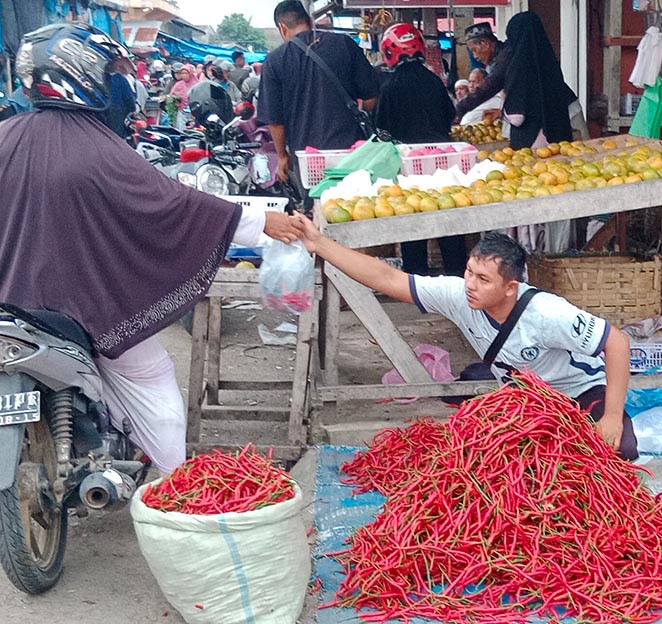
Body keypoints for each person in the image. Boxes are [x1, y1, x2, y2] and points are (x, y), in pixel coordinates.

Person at [0, 23, 306, 475]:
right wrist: (264, 222)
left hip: (9, 303)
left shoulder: (6, 134)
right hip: (85, 309)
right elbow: (173, 205)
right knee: (153, 382)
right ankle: (175, 485)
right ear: (84, 75)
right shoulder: (97, 147)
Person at [293, 224, 637, 460]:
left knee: (613, 451)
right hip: (529, 400)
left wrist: (611, 416)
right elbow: (388, 277)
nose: (470, 284)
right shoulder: (459, 295)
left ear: (510, 287)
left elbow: (617, 343)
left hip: (578, 393)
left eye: (483, 279)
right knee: (493, 457)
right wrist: (319, 243)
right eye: (469, 272)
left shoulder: (547, 314)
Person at [373, 22, 465, 278]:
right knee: (448, 219)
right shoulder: (434, 81)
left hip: (409, 167)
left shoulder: (389, 87)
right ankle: (456, 276)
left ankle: (416, 280)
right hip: (443, 164)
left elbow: (381, 130)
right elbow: (450, 117)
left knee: (412, 220)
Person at [259, 0, 379, 188]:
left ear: (282, 28)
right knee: (357, 203)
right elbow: (371, 98)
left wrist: (282, 156)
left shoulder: (274, 61)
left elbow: (275, 120)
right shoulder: (345, 43)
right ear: (310, 21)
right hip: (352, 151)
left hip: (308, 159)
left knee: (317, 208)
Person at [501, 11, 576, 150]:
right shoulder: (551, 64)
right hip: (559, 140)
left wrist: (503, 107)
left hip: (532, 144)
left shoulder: (518, 67)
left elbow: (517, 117)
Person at [168, 63, 198, 128]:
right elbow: (171, 96)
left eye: (186, 73)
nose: (184, 75)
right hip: (182, 111)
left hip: (194, 112)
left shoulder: (197, 84)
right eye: (182, 73)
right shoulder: (178, 84)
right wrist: (175, 100)